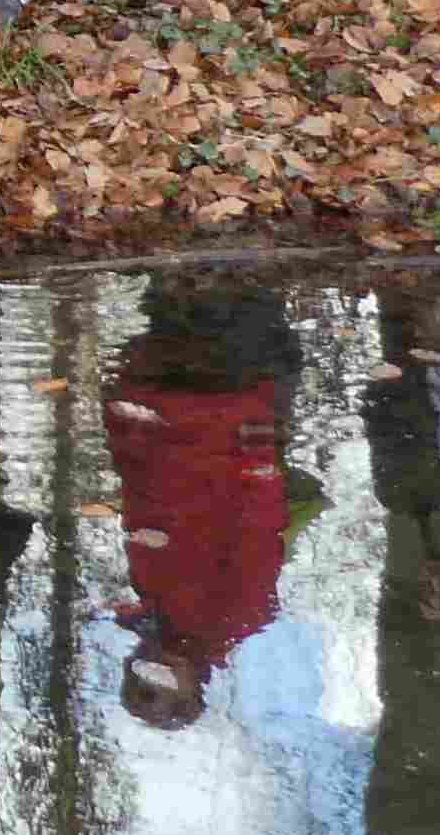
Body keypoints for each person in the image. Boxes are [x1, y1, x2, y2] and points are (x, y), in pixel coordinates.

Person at [107, 276, 299, 727]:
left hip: (169, 427)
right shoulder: (233, 621)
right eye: (163, 687)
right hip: (226, 430)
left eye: (140, 680)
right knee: (236, 315)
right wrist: (258, 457)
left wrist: (126, 434)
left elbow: (141, 505)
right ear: (194, 685)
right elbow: (258, 534)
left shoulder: (149, 609)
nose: (153, 670)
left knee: (172, 308)